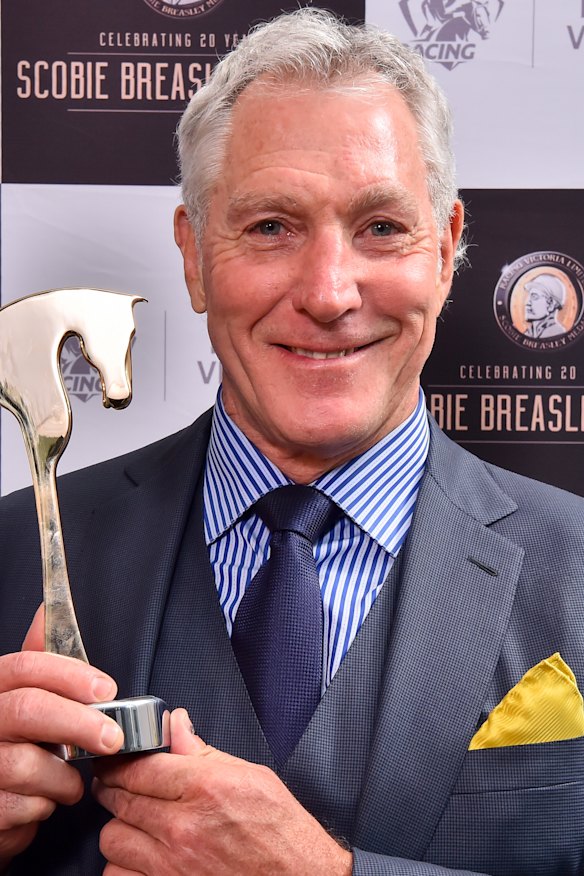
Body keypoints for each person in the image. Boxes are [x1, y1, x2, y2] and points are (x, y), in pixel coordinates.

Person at [0, 8, 583, 875]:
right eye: (271, 226)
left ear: (447, 248)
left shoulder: (577, 568)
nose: (328, 292)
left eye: (382, 227)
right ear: (194, 256)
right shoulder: (15, 552)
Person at [523, 273, 567, 338]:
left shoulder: (556, 333)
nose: (527, 303)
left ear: (551, 304)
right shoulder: (528, 334)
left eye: (534, 296)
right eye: (529, 297)